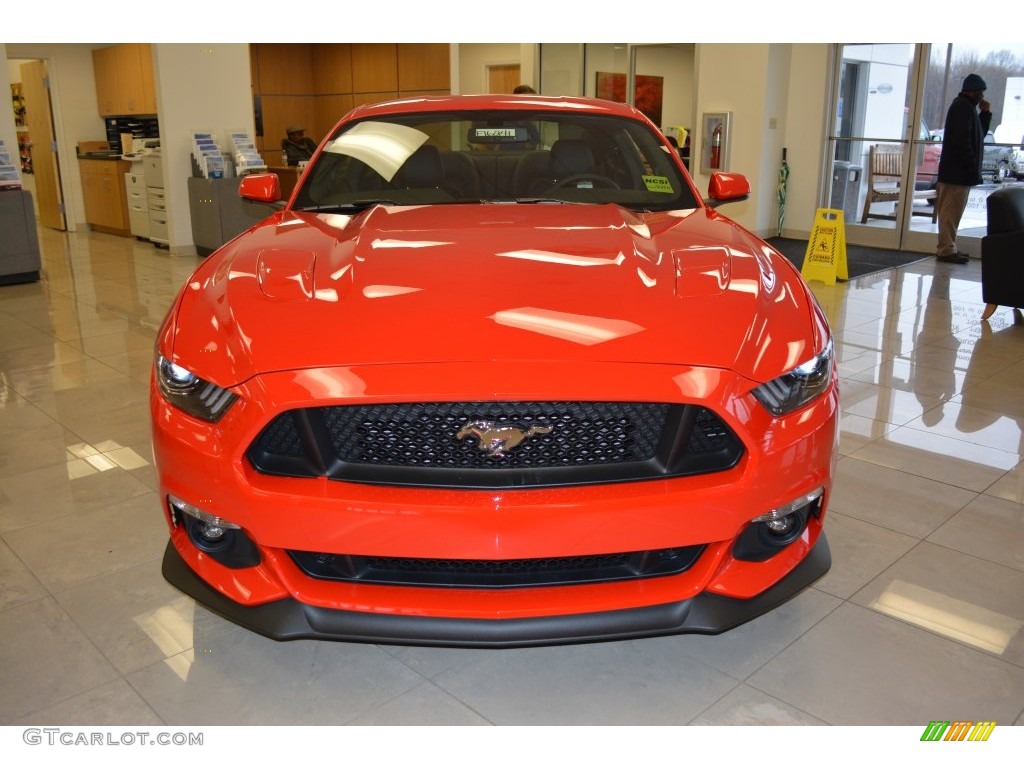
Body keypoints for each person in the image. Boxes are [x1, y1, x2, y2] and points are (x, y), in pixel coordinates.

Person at [934, 73, 992, 264]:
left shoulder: (967, 108)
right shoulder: (962, 108)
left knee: (953, 212)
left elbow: (978, 136)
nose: (982, 97)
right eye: (980, 93)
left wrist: (985, 115)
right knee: (950, 212)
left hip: (957, 172)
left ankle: (949, 247)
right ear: (973, 92)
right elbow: (962, 141)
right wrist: (969, 164)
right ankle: (946, 249)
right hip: (956, 173)